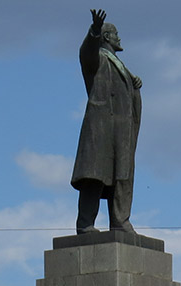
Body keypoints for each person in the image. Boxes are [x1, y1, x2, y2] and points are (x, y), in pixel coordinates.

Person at [71, 8, 142, 234]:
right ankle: (85, 224)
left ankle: (120, 221)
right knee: (95, 176)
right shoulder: (98, 58)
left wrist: (134, 85)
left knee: (121, 176)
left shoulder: (120, 64)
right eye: (115, 33)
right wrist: (94, 30)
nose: (119, 37)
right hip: (101, 129)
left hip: (121, 131)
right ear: (106, 38)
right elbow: (86, 53)